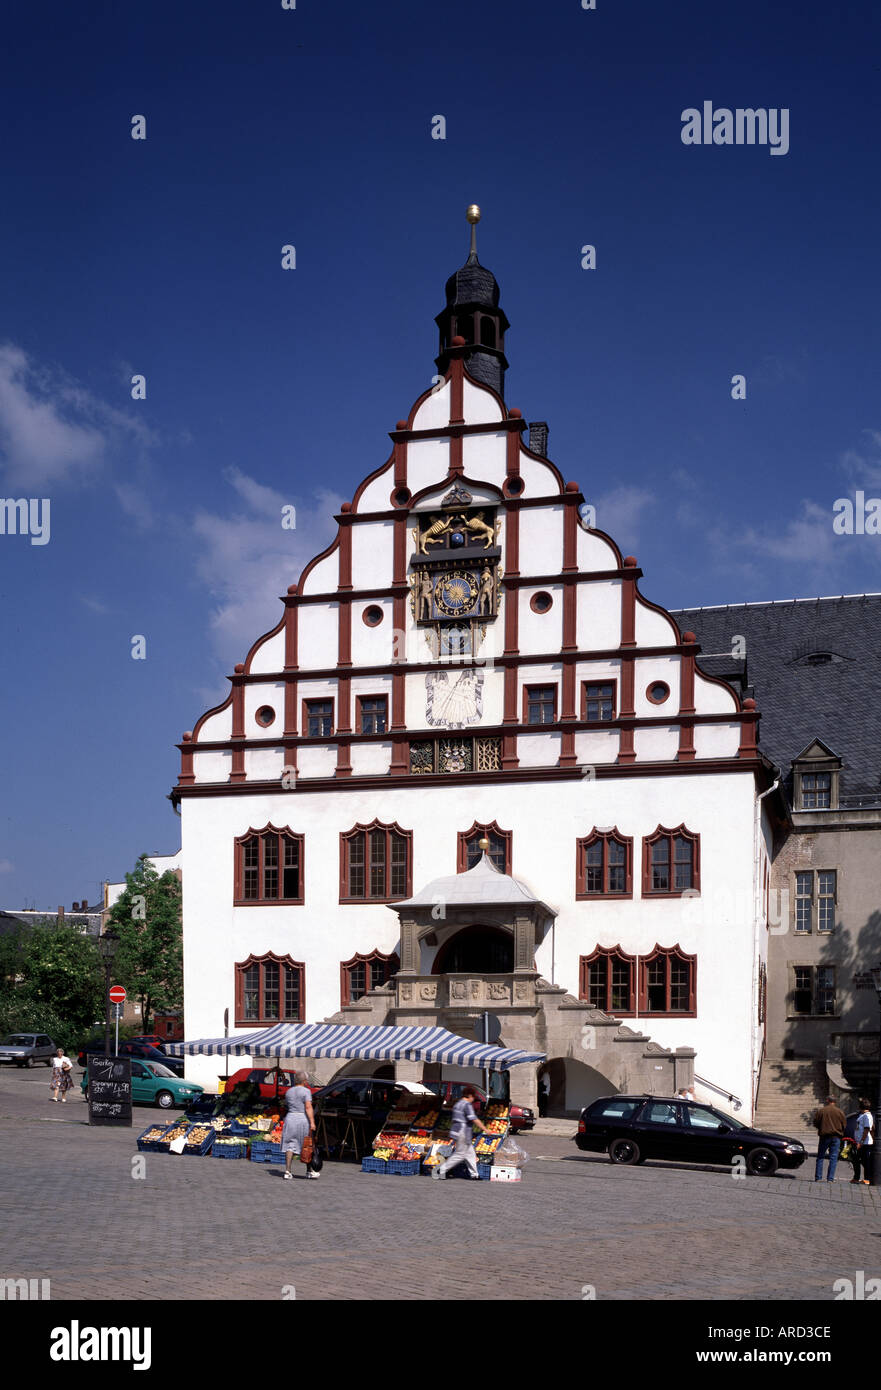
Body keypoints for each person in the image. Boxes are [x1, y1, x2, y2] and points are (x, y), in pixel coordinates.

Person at [433, 1085, 488, 1180]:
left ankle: (474, 1175)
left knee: (470, 1153)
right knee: (460, 1154)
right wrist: (485, 1129)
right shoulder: (467, 1105)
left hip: (456, 1131)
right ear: (470, 1096)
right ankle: (441, 1170)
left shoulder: (457, 1104)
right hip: (463, 1132)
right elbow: (473, 1119)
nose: (473, 1099)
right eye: (473, 1097)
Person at [281, 1071, 317, 1180]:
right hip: (302, 1119)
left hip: (290, 1118)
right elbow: (308, 1107)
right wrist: (312, 1122)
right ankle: (309, 1171)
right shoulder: (306, 1091)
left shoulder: (289, 1091)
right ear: (304, 1081)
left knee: (290, 1144)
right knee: (306, 1144)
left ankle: (287, 1171)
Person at [813, 1095, 847, 1182]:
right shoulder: (840, 1112)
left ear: (828, 1100)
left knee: (820, 1157)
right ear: (835, 1101)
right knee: (833, 1158)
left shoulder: (822, 1111)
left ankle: (818, 1177)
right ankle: (830, 1178)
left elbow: (816, 1122)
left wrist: (822, 1128)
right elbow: (844, 1125)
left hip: (824, 1136)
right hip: (836, 1137)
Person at [854, 1097, 875, 1186]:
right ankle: (856, 1177)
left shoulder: (867, 1116)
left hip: (865, 1142)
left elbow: (867, 1129)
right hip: (861, 1141)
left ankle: (867, 1178)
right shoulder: (862, 1115)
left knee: (865, 1161)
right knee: (857, 1160)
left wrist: (861, 1141)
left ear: (861, 1107)